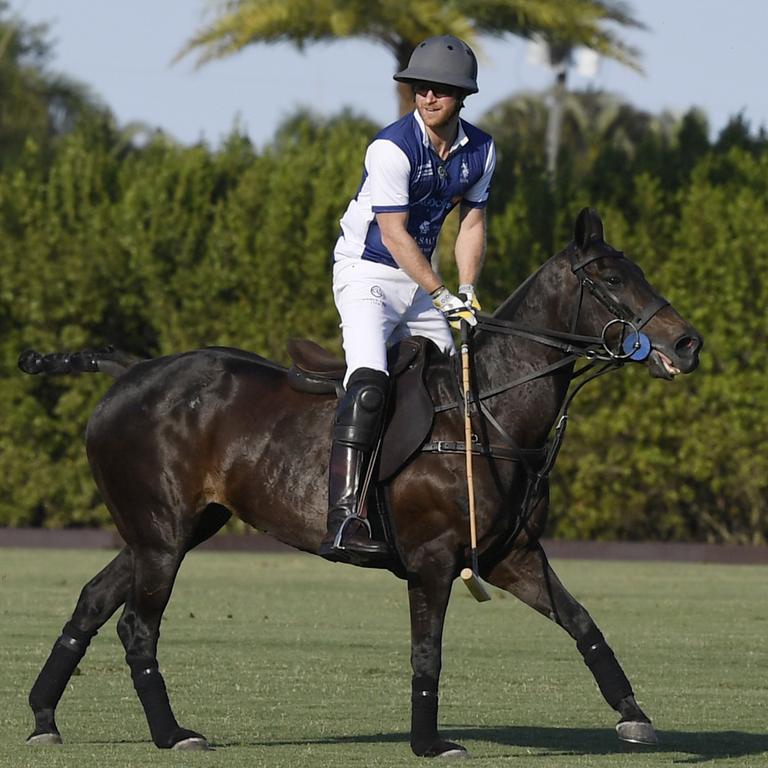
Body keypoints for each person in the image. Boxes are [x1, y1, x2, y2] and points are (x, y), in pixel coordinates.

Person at [319, 34, 496, 562]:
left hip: (423, 283)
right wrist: (442, 294)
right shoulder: (391, 147)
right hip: (368, 273)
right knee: (370, 380)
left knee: (454, 384)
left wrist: (466, 291)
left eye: (442, 89)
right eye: (421, 87)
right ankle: (344, 517)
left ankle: (442, 509)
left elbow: (472, 223)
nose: (428, 97)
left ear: (462, 95)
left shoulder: (482, 151)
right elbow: (393, 234)